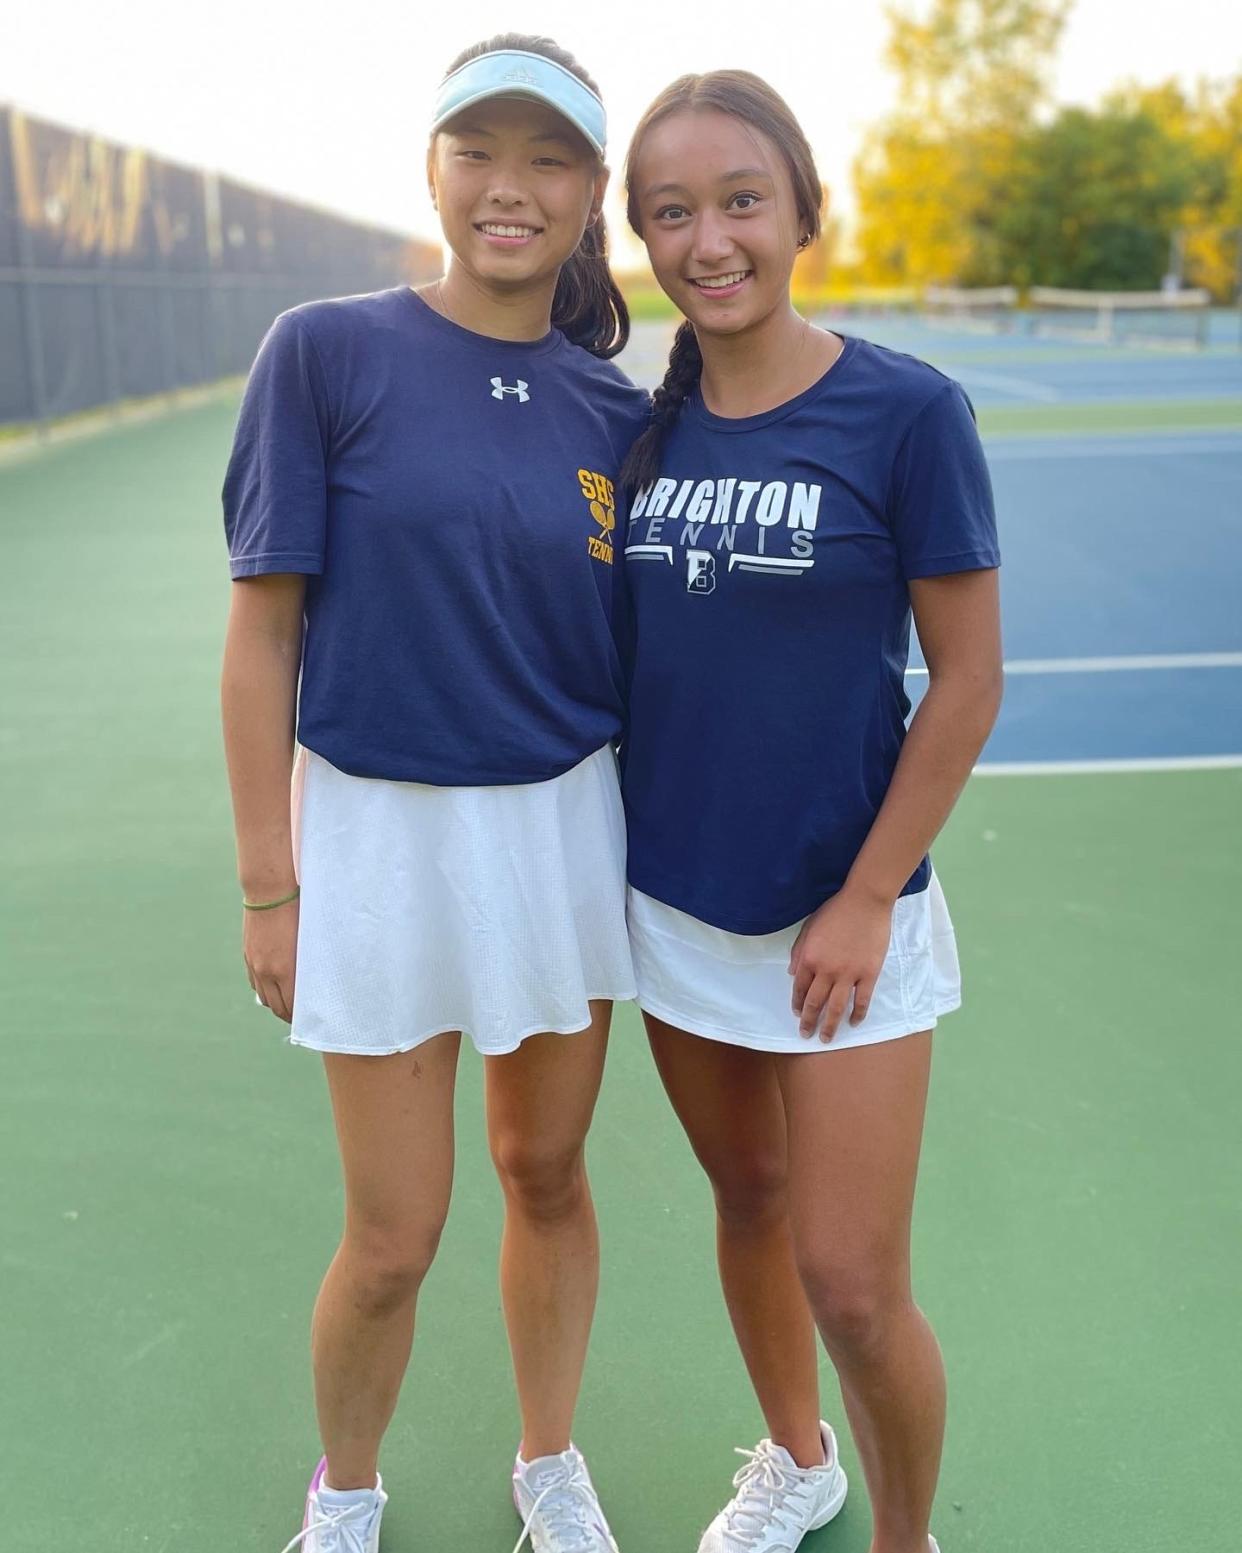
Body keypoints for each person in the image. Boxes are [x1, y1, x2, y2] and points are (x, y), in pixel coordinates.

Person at [220, 34, 647, 1553]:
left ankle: (549, 1464)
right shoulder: (323, 352)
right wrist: (271, 880)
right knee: (394, 1235)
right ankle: (346, 1489)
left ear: (592, 193)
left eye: (547, 160)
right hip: (377, 840)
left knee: (545, 1169)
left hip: (559, 834)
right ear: (433, 168)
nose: (509, 188)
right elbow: (264, 630)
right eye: (481, 152)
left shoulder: (618, 414)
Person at [618, 71, 1003, 1553]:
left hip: (846, 917)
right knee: (746, 1196)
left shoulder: (904, 412)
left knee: (851, 1277)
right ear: (641, 236)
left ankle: (904, 1534)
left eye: (736, 201)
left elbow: (964, 681)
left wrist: (863, 890)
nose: (706, 239)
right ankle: (798, 1458)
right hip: (675, 910)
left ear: (800, 216)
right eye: (670, 211)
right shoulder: (640, 431)